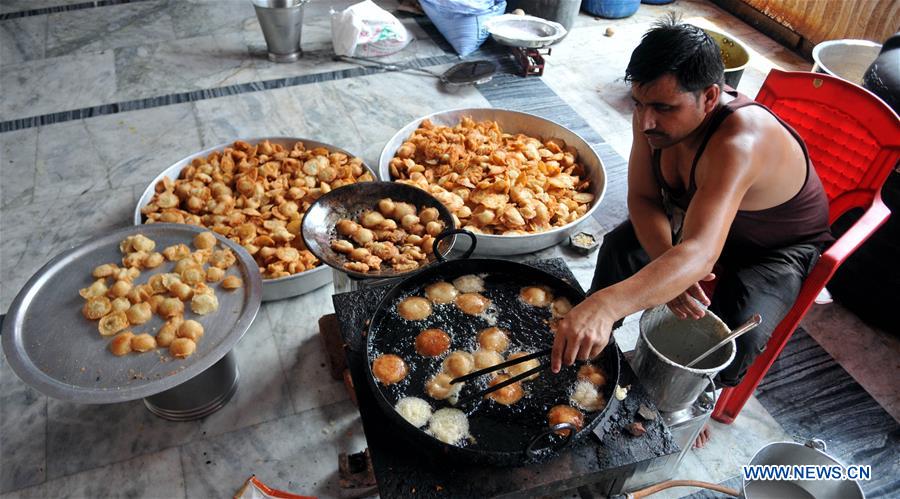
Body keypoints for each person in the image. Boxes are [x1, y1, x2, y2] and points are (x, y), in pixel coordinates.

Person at [551, 16, 832, 445]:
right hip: (700, 222)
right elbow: (644, 201)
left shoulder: (739, 143)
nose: (646, 122)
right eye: (639, 103)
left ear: (710, 97)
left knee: (742, 328)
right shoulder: (650, 119)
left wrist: (615, 300)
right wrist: (669, 269)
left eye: (664, 108)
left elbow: (700, 251)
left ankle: (690, 402)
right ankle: (594, 349)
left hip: (771, 247)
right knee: (621, 249)